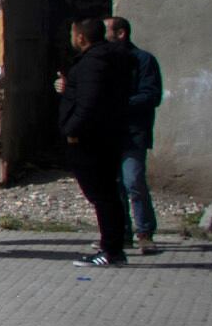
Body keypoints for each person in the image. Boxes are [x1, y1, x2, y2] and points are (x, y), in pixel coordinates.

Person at [57, 15, 135, 266]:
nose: (72, 38)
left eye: (73, 34)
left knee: (103, 196)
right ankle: (112, 246)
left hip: (91, 139)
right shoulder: (110, 59)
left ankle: (111, 250)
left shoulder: (94, 62)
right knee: (107, 195)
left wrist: (72, 129)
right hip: (107, 135)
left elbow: (89, 102)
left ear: (81, 37)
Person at [109, 14, 164, 247]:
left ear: (121, 34)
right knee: (115, 185)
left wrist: (120, 103)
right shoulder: (106, 62)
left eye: (106, 32)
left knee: (133, 181)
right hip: (110, 132)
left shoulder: (143, 61)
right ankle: (121, 233)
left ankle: (144, 232)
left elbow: (151, 95)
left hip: (133, 132)